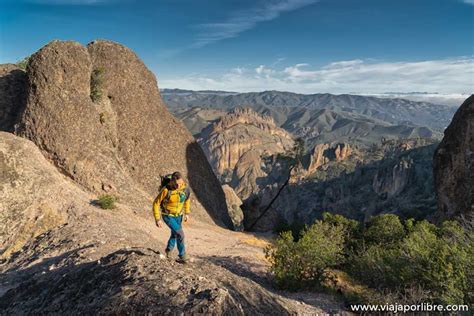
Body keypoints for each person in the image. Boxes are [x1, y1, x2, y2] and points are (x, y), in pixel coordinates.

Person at [153, 171, 191, 263]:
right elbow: (156, 203)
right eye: (177, 184)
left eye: (181, 183)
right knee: (180, 234)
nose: (179, 185)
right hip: (167, 216)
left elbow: (186, 200)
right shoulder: (166, 190)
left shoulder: (184, 189)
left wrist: (187, 213)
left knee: (175, 233)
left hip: (179, 216)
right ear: (172, 181)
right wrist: (157, 219)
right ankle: (182, 255)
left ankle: (168, 250)